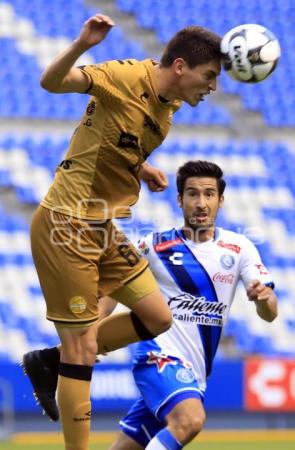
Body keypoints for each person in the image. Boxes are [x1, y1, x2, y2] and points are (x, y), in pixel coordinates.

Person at [22, 12, 222, 450]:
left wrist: (142, 167)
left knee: (157, 317)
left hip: (101, 227)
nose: (213, 87)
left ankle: (47, 362)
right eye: (208, 76)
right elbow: (50, 83)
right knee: (82, 350)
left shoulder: (167, 107)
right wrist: (81, 45)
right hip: (65, 224)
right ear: (181, 67)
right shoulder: (125, 76)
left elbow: (115, 138)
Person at [106, 159, 278, 449]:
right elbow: (113, 287)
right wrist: (93, 335)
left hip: (194, 374)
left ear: (220, 201)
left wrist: (264, 298)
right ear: (179, 199)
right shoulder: (153, 245)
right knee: (190, 420)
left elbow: (270, 313)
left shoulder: (239, 248)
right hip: (158, 356)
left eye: (209, 194)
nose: (201, 202)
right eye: (193, 194)